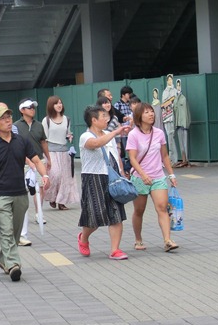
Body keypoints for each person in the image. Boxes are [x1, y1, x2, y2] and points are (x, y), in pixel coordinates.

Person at [0, 103, 50, 282]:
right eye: (3, 118)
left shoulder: (22, 141)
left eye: (9, 117)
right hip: (0, 195)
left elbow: (36, 159)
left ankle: (3, 259)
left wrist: (45, 175)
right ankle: (13, 264)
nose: (8, 121)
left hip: (20, 193)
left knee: (15, 232)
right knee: (6, 229)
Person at [76, 106, 131, 260]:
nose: (107, 119)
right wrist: (116, 132)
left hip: (112, 177)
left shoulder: (108, 135)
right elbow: (96, 143)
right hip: (93, 178)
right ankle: (83, 238)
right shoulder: (85, 136)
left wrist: (121, 171)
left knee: (116, 214)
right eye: (103, 116)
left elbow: (115, 154)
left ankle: (115, 250)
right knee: (95, 216)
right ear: (94, 120)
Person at [127, 102, 179, 252]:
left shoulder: (159, 133)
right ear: (139, 116)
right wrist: (143, 175)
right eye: (146, 112)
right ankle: (138, 239)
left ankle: (167, 240)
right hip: (139, 177)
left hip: (158, 177)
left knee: (162, 207)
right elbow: (132, 158)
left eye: (152, 111)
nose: (151, 114)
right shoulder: (133, 134)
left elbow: (164, 155)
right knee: (139, 210)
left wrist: (171, 175)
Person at [14, 98, 50, 245]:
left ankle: (38, 213)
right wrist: (27, 160)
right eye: (29, 108)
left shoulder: (39, 125)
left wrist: (48, 158)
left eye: (33, 107)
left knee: (40, 187)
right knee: (23, 191)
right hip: (22, 162)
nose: (32, 110)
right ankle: (21, 222)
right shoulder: (16, 126)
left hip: (38, 160)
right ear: (22, 110)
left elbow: (43, 142)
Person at [42, 95, 79, 210]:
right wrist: (46, 155)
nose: (59, 105)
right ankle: (52, 198)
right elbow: (44, 139)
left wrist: (70, 136)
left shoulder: (66, 119)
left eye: (60, 103)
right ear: (51, 106)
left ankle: (61, 202)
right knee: (55, 174)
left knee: (65, 178)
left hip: (64, 151)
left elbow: (68, 133)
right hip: (51, 151)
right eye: (56, 103)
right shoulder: (46, 120)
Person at [173, 79, 191, 167]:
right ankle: (183, 159)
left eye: (179, 86)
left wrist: (186, 123)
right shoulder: (175, 99)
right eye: (177, 86)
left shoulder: (183, 99)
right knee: (180, 143)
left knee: (185, 142)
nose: (178, 87)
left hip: (184, 124)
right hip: (178, 124)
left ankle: (186, 159)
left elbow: (186, 112)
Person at [161, 74, 178, 165]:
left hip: (173, 116)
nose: (170, 81)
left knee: (171, 136)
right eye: (169, 80)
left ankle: (173, 159)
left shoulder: (175, 91)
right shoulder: (164, 92)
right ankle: (171, 159)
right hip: (166, 117)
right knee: (169, 137)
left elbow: (174, 102)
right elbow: (164, 104)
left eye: (171, 80)